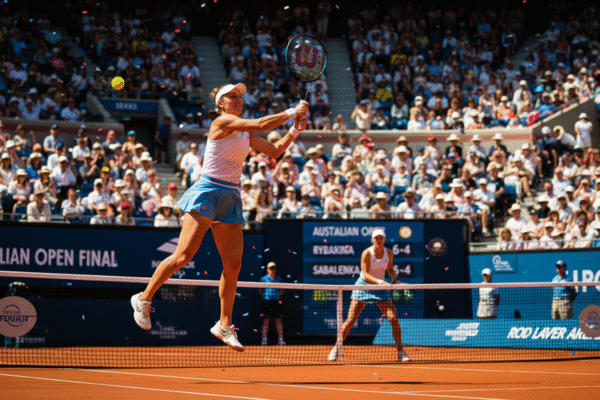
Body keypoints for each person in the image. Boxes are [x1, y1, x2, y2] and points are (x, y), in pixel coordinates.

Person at [130, 83, 308, 353]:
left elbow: (274, 151)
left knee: (233, 266)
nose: (237, 100)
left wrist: (295, 130)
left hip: (230, 197)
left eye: (240, 97)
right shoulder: (222, 122)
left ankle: (224, 325)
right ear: (220, 104)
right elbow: (261, 123)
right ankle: (143, 299)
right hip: (208, 191)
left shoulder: (245, 133)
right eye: (231, 97)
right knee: (183, 256)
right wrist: (293, 112)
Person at [328, 229, 410, 362]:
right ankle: (336, 348)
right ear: (372, 239)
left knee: (393, 319)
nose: (379, 240)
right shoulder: (367, 253)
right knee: (350, 321)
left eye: (381, 238)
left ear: (384, 239)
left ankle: (401, 351)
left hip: (380, 288)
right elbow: (365, 274)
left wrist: (397, 282)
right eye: (376, 238)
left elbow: (390, 270)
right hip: (363, 286)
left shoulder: (389, 253)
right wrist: (381, 282)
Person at [258, 262, 285, 346]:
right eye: (271, 268)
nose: (272, 270)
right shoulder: (263, 279)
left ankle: (280, 339)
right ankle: (264, 339)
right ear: (267, 270)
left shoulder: (279, 279)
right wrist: (266, 296)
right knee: (266, 320)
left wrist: (277, 297)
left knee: (278, 320)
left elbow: (281, 291)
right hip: (266, 302)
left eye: (274, 268)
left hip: (276, 301)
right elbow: (260, 290)